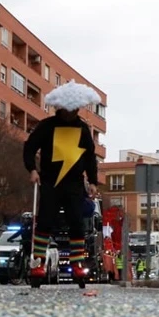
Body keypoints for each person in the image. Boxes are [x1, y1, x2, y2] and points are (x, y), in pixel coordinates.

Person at [22, 82, 100, 275]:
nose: (71, 113)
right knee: (45, 221)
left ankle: (77, 262)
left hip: (74, 182)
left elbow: (90, 156)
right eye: (68, 110)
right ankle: (39, 261)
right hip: (50, 180)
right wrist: (32, 169)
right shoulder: (47, 126)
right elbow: (30, 147)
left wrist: (92, 181)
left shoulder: (82, 129)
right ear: (60, 108)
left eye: (74, 110)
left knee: (77, 221)